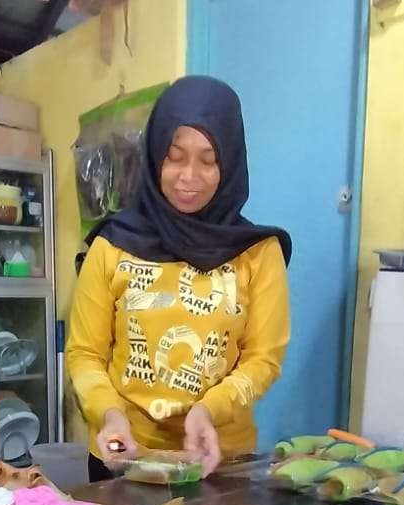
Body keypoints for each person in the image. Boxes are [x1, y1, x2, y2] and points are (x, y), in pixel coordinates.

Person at [67, 76, 292, 483]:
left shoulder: (258, 252)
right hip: (125, 459)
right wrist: (108, 413)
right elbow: (85, 354)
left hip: (220, 461)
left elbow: (264, 358)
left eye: (209, 160)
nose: (190, 176)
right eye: (175, 157)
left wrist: (210, 410)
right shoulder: (112, 245)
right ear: (154, 157)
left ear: (231, 162)